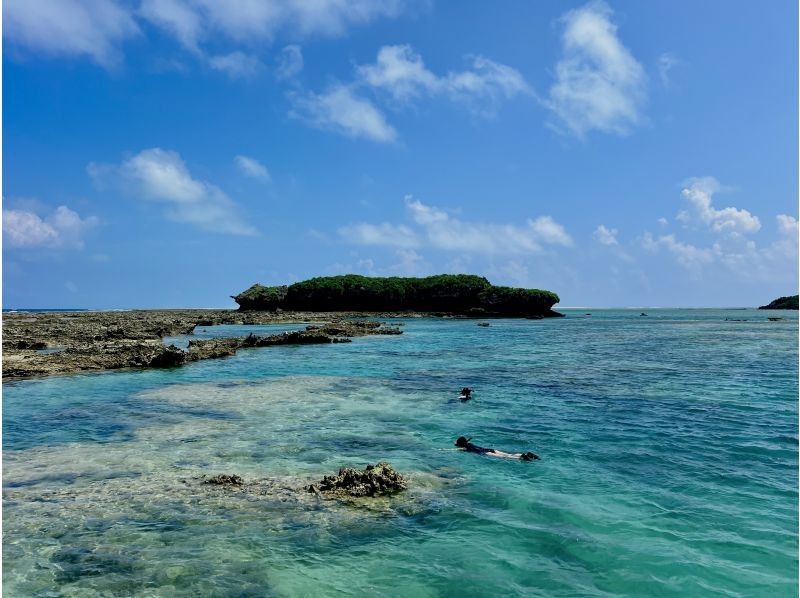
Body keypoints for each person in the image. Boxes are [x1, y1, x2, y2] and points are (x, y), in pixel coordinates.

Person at [454, 436, 539, 461]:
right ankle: (524, 454)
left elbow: (457, 449)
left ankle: (522, 457)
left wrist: (442, 450)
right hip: (491, 449)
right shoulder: (470, 443)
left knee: (505, 457)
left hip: (486, 453)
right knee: (507, 454)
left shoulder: (465, 448)